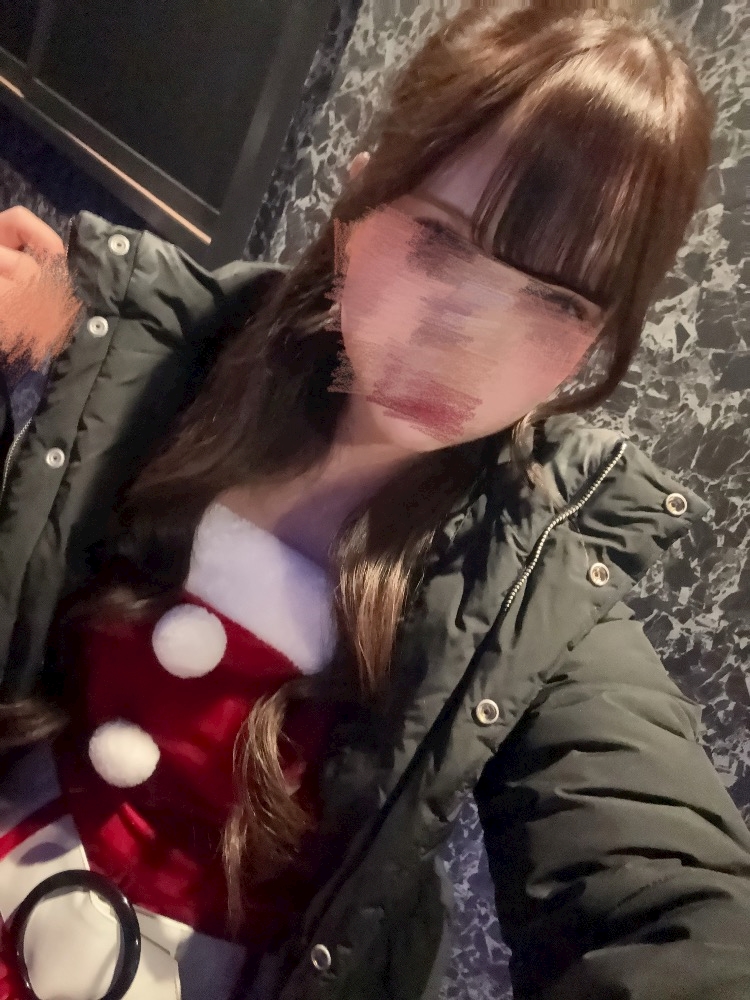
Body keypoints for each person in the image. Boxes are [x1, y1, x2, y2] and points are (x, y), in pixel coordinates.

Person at [0, 1, 749, 998]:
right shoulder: (141, 361)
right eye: (442, 240)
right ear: (356, 205)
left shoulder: (527, 597)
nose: (468, 343)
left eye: (558, 300)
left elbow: (670, 905)